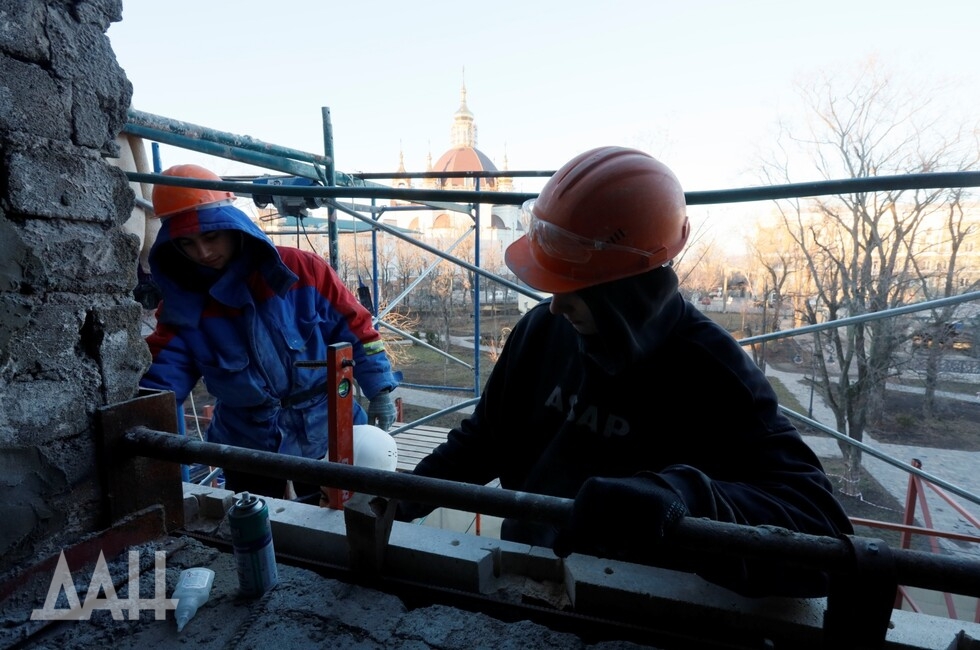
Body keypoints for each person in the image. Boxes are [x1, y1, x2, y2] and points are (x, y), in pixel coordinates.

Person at [396, 146, 854, 597]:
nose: (555, 304)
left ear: (629, 286)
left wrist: (685, 498)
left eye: (575, 287)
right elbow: (483, 442)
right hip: (528, 576)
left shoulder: (710, 371)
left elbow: (821, 527)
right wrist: (397, 499)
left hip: (643, 605)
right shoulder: (542, 332)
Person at [139, 164, 399, 502]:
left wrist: (379, 387)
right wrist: (144, 425)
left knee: (335, 516)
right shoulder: (185, 303)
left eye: (211, 236)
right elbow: (164, 375)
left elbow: (358, 329)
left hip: (326, 427)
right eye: (187, 243)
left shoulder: (303, 271)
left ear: (233, 227)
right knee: (257, 527)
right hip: (247, 441)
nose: (202, 253)